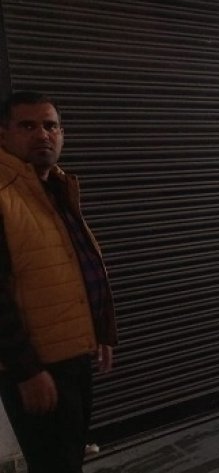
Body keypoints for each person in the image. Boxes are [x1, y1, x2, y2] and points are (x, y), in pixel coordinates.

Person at [0, 91, 117, 473]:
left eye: (50, 126)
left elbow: (75, 262)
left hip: (71, 355)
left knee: (67, 458)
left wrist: (99, 328)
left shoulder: (55, 187)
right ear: (4, 135)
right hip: (37, 366)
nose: (42, 135)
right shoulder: (5, 194)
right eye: (28, 126)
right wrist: (27, 371)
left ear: (62, 134)